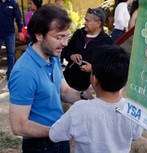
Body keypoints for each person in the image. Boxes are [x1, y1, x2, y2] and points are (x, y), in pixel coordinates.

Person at [8, 4, 93, 153]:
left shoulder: (52, 57)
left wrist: (83, 94)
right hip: (39, 145)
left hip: (57, 138)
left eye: (66, 36)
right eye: (59, 37)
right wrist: (57, 131)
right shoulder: (24, 73)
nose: (65, 43)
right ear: (39, 35)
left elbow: (64, 91)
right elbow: (19, 126)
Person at [49, 45, 143, 153]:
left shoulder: (80, 109)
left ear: (94, 80)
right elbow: (136, 135)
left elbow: (54, 134)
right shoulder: (133, 110)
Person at [63, 7, 113, 91]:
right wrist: (71, 56)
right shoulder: (79, 34)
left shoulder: (107, 42)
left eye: (87, 20)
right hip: (67, 82)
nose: (84, 23)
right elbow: (65, 50)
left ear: (98, 23)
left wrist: (93, 69)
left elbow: (109, 66)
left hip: (88, 89)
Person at [0, 0, 24, 80]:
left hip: (10, 33)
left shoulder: (13, 3)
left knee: (11, 54)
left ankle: (10, 74)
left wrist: (20, 31)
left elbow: (18, 17)